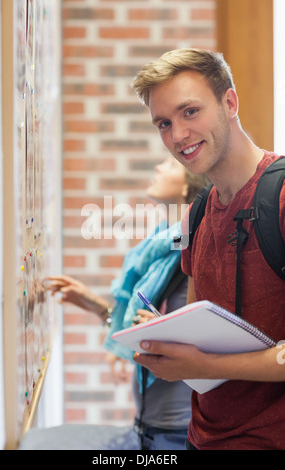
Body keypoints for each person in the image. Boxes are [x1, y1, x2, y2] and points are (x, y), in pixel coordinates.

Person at [131, 48, 285, 450]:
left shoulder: (282, 196)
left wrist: (203, 365)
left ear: (229, 102)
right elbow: (205, 323)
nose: (177, 135)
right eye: (164, 123)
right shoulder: (197, 215)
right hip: (201, 439)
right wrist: (168, 337)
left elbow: (207, 360)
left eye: (190, 111)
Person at [47, 156, 208, 450]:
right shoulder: (162, 241)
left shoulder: (193, 247)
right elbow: (143, 322)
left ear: (189, 187)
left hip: (175, 435)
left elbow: (201, 333)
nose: (159, 168)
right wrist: (95, 305)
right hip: (147, 429)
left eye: (170, 165)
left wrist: (160, 330)